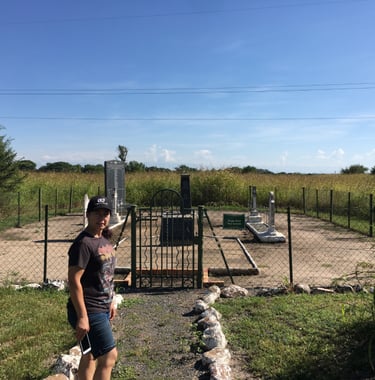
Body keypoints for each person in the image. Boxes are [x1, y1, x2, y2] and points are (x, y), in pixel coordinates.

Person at [67, 195, 118, 380]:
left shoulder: (103, 239)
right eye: (97, 213)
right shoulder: (83, 244)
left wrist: (111, 300)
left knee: (90, 354)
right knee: (109, 355)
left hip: (102, 307)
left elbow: (107, 275)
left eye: (106, 213)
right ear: (88, 215)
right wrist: (82, 317)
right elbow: (73, 280)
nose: (102, 217)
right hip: (89, 309)